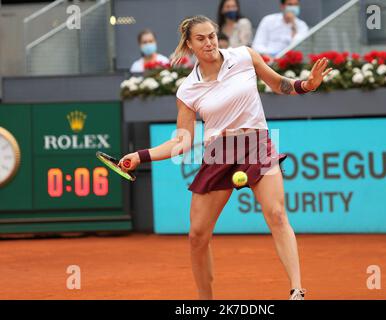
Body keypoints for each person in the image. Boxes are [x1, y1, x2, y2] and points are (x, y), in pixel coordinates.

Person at [118, 15, 331, 300]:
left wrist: (308, 85)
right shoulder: (188, 89)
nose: (209, 42)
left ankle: (297, 290)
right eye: (201, 39)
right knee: (197, 236)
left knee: (277, 214)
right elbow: (183, 141)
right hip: (219, 152)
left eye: (212, 36)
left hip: (257, 143)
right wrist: (141, 155)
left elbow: (280, 84)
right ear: (190, 45)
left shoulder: (244, 57)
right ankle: (205, 300)